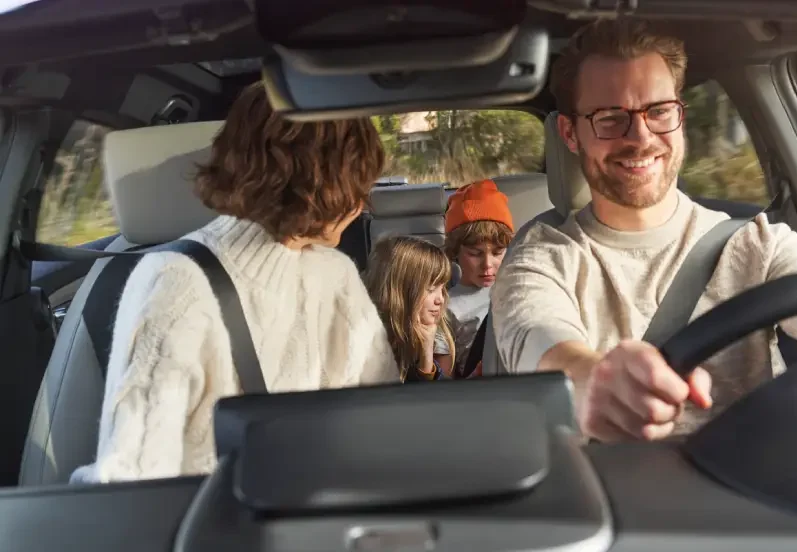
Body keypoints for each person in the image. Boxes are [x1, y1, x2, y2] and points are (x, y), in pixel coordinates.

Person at [491, 18, 797, 442]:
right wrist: (589, 381)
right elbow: (540, 341)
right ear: (571, 134)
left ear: (679, 117)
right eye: (609, 118)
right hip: (608, 496)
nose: (641, 137)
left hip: (748, 490)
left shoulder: (759, 244)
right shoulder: (540, 257)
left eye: (658, 111)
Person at [71, 82, 399, 483]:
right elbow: (132, 482)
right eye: (357, 181)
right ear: (321, 181)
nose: (362, 202)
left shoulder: (338, 274)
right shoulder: (174, 282)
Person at [443, 179, 514, 377]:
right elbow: (445, 378)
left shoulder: (517, 288)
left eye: (498, 252)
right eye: (475, 254)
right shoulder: (446, 306)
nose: (487, 264)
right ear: (455, 251)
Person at [364, 235, 456, 382]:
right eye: (431, 289)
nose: (441, 299)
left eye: (442, 287)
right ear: (401, 291)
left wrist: (426, 356)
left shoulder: (426, 334)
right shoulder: (368, 348)